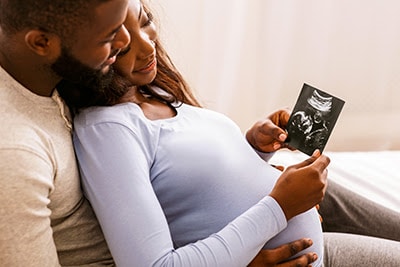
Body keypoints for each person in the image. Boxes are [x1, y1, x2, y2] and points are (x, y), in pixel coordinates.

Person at [62, 1, 400, 266]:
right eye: (121, 46)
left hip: (307, 238)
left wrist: (254, 148)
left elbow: (195, 189)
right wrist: (280, 206)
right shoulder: (107, 130)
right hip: (303, 249)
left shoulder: (154, 92)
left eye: (145, 21)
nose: (148, 47)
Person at [0, 0, 131, 265]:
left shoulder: (49, 68)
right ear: (41, 44)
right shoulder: (14, 154)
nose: (125, 40)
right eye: (109, 36)